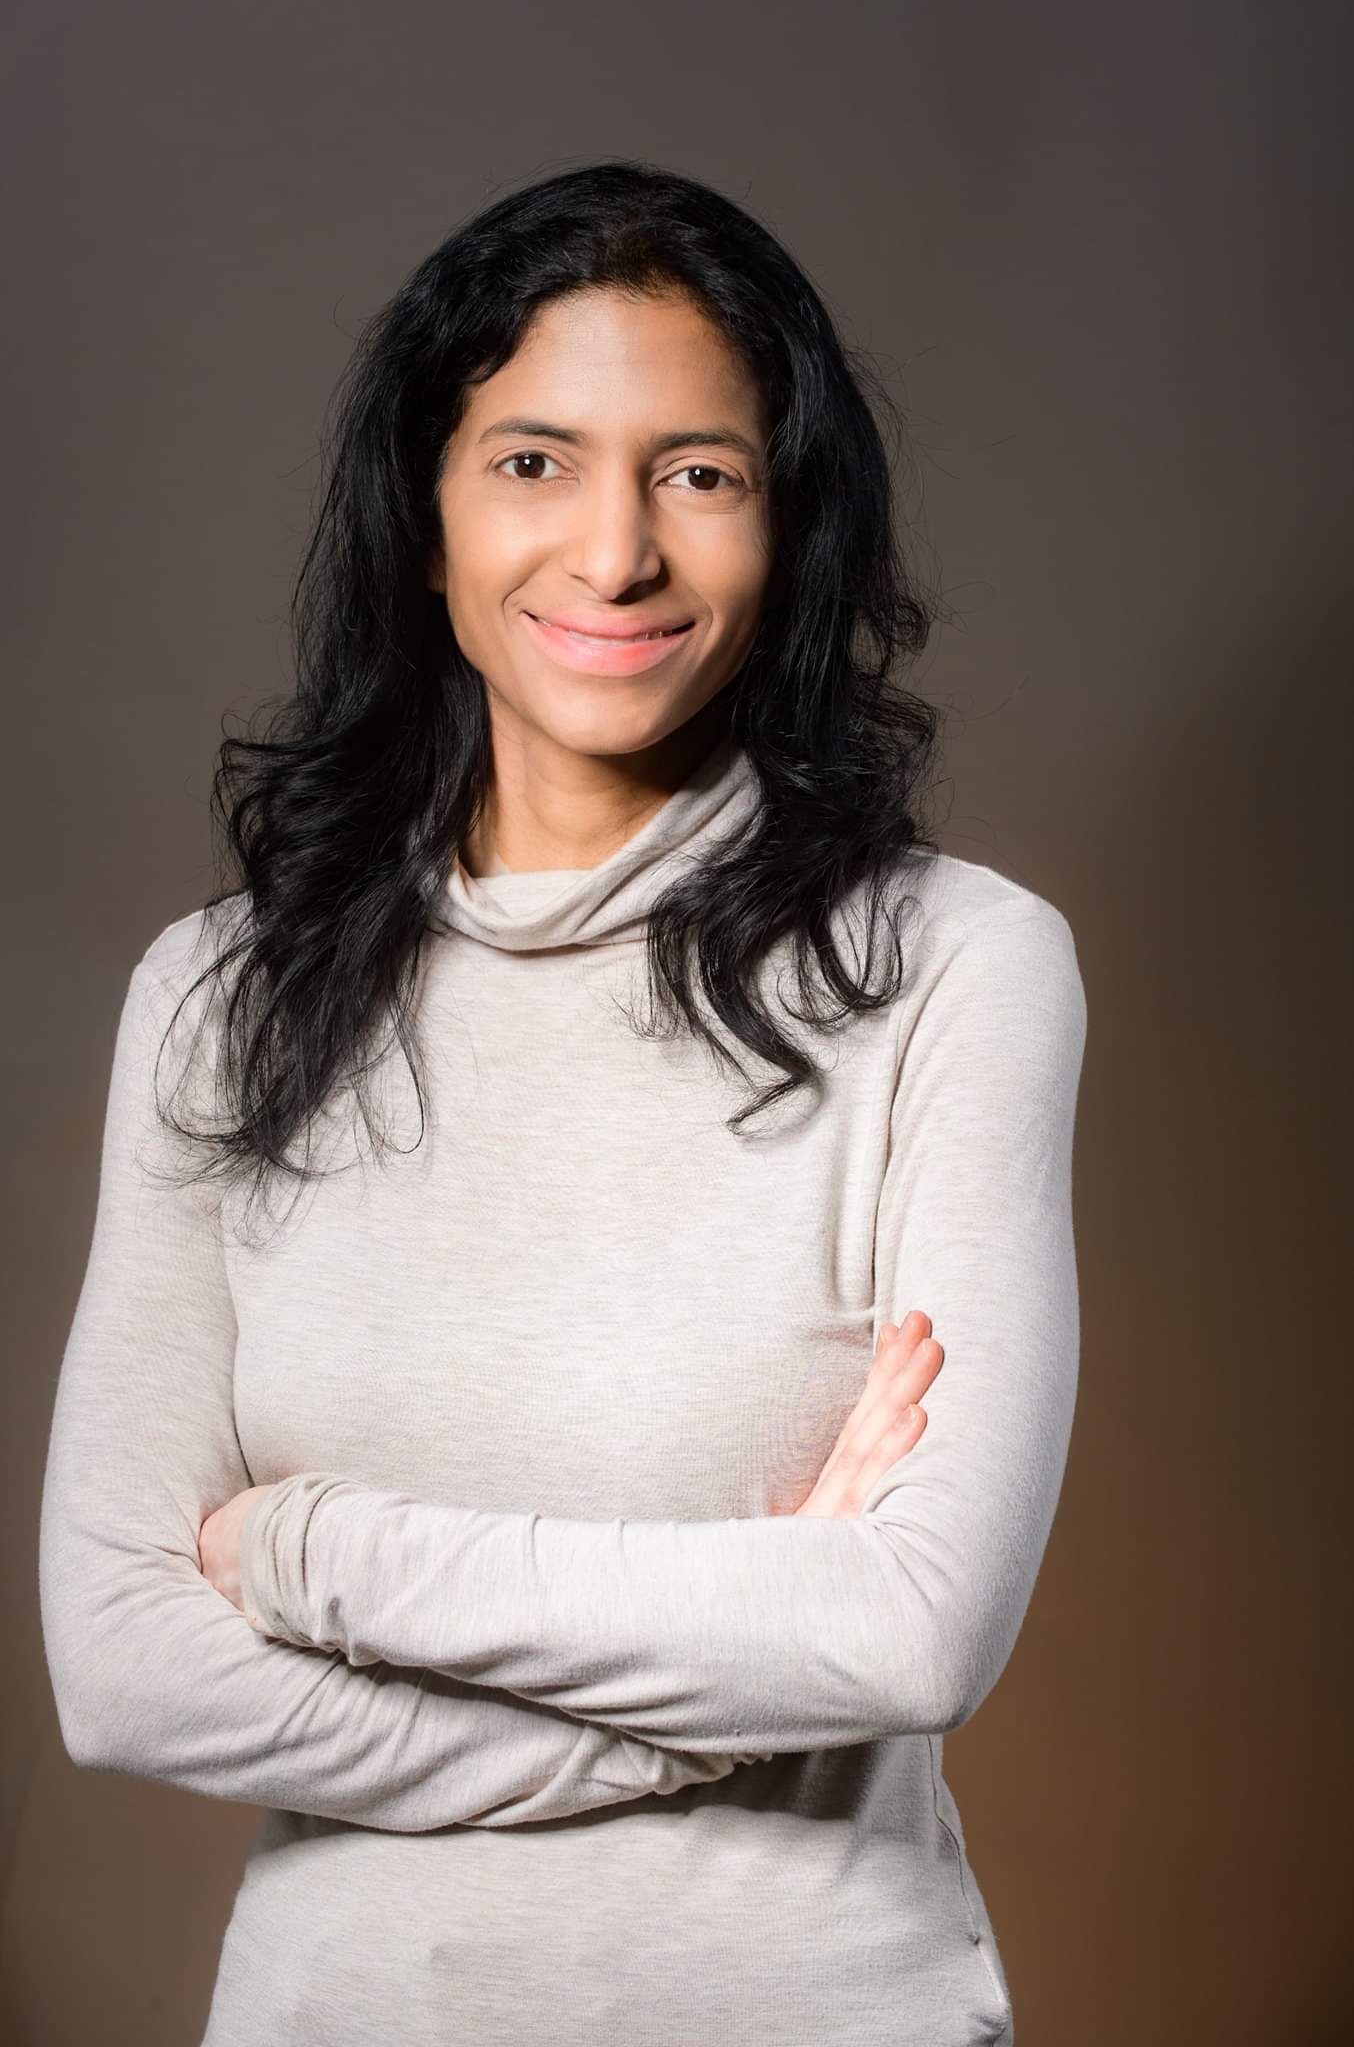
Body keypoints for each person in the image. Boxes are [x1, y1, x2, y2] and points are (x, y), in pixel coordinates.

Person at [38, 159, 1087, 2046]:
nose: (614, 555)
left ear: (789, 528)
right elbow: (122, 1669)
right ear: (424, 518)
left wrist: (312, 1554)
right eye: (533, 461)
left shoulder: (955, 968)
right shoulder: (217, 997)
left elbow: (912, 1634)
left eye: (699, 474)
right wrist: (688, 1710)